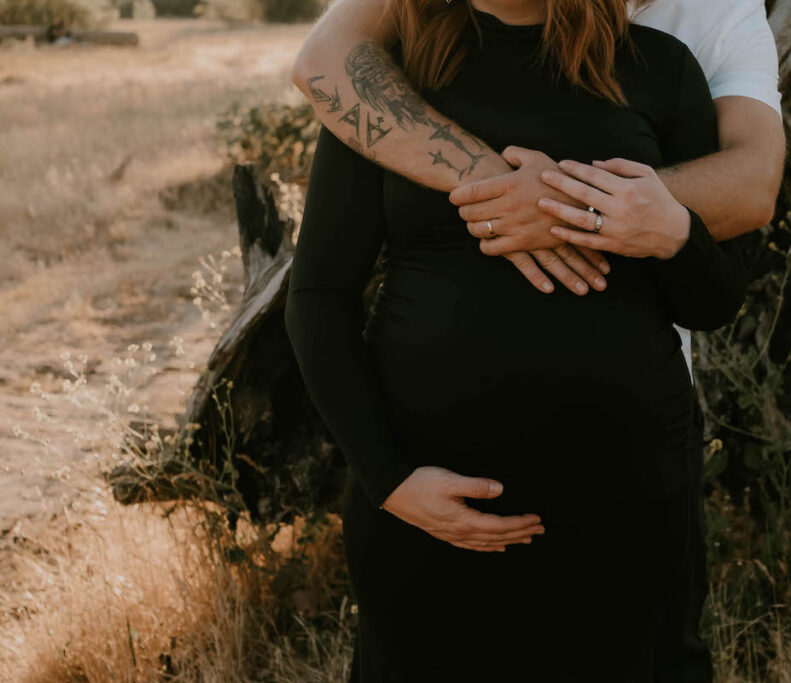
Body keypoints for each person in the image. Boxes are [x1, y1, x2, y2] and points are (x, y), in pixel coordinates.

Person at [284, 0, 764, 680]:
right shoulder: (395, 83)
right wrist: (386, 477)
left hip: (626, 510)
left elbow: (716, 300)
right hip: (430, 509)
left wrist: (672, 230)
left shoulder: (658, 67)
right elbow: (318, 297)